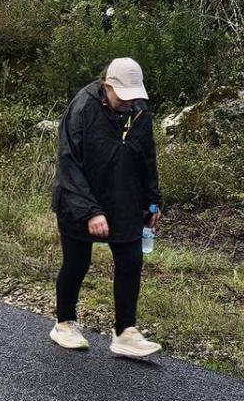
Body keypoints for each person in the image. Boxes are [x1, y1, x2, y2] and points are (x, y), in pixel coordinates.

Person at [49, 57, 164, 358]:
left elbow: (147, 158)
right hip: (77, 198)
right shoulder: (82, 107)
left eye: (133, 96)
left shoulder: (139, 111)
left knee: (131, 262)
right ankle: (64, 323)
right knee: (77, 263)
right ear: (107, 86)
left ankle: (125, 332)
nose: (128, 102)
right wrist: (91, 211)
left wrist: (152, 201)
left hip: (124, 197)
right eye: (122, 96)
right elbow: (68, 162)